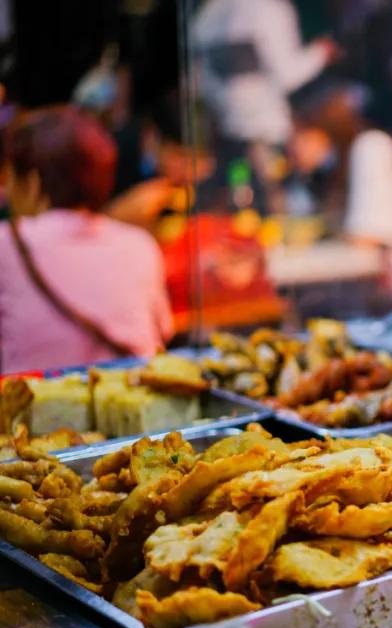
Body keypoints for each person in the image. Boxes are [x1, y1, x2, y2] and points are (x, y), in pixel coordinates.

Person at [0, 106, 172, 373]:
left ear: (33, 183)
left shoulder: (7, 244)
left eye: (9, 180)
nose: (6, 192)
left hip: (35, 399)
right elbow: (163, 331)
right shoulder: (140, 244)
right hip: (128, 395)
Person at [192, 0, 340, 212]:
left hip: (229, 136)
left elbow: (199, 83)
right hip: (268, 137)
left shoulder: (210, 12)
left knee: (240, 204)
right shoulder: (270, 9)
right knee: (272, 208)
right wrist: (321, 53)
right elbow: (286, 74)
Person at [292, 82, 392, 306]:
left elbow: (366, 237)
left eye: (300, 134)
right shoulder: (337, 166)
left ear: (322, 130)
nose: (293, 147)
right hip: (383, 285)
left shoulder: (370, 146)